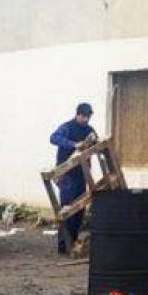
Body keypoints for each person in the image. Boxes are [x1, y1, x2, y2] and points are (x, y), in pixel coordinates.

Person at [49, 102, 96, 254]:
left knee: (79, 210)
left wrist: (93, 143)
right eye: (83, 116)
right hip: (67, 175)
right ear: (77, 114)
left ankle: (73, 242)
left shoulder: (89, 130)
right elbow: (54, 138)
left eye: (88, 117)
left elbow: (96, 142)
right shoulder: (67, 127)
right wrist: (73, 144)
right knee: (67, 209)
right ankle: (63, 246)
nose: (85, 120)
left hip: (82, 174)